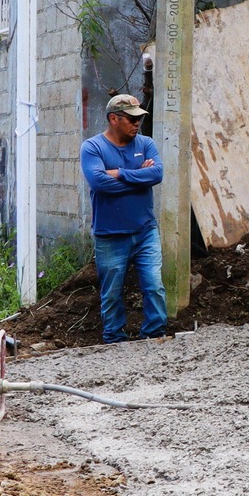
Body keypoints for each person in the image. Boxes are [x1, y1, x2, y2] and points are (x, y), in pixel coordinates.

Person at [80, 93, 167, 343]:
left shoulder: (146, 143)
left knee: (154, 286)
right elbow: (99, 182)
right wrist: (139, 178)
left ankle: (154, 334)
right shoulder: (93, 147)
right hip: (110, 235)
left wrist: (119, 174)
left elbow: (158, 174)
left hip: (145, 231)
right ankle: (114, 339)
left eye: (138, 119)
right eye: (131, 119)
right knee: (111, 293)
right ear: (113, 119)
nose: (136, 123)